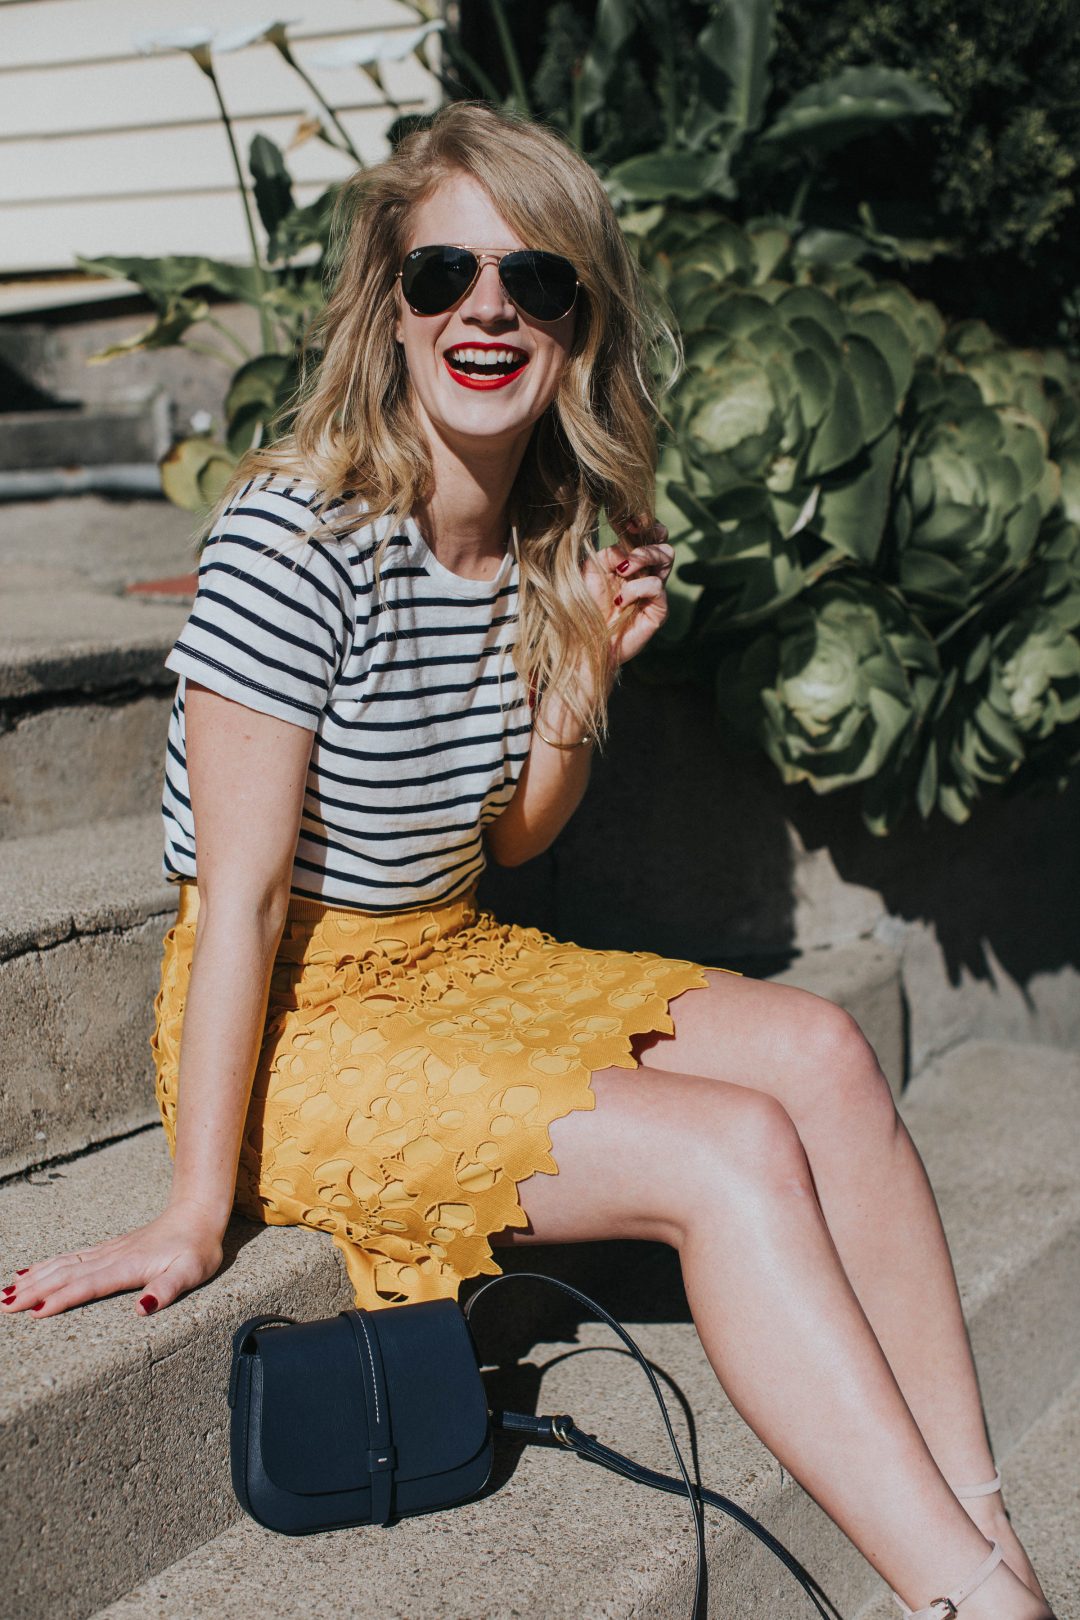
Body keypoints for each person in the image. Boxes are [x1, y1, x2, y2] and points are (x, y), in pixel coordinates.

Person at [1, 103, 1053, 1620]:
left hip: (454, 955)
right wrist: (190, 1209)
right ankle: (975, 1606)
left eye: (537, 281)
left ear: (577, 326)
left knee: (821, 1049)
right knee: (733, 1152)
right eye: (445, 275)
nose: (487, 309)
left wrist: (580, 681)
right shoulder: (292, 542)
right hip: (305, 1019)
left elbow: (510, 843)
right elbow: (235, 903)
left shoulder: (544, 537)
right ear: (393, 305)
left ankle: (977, 1526)